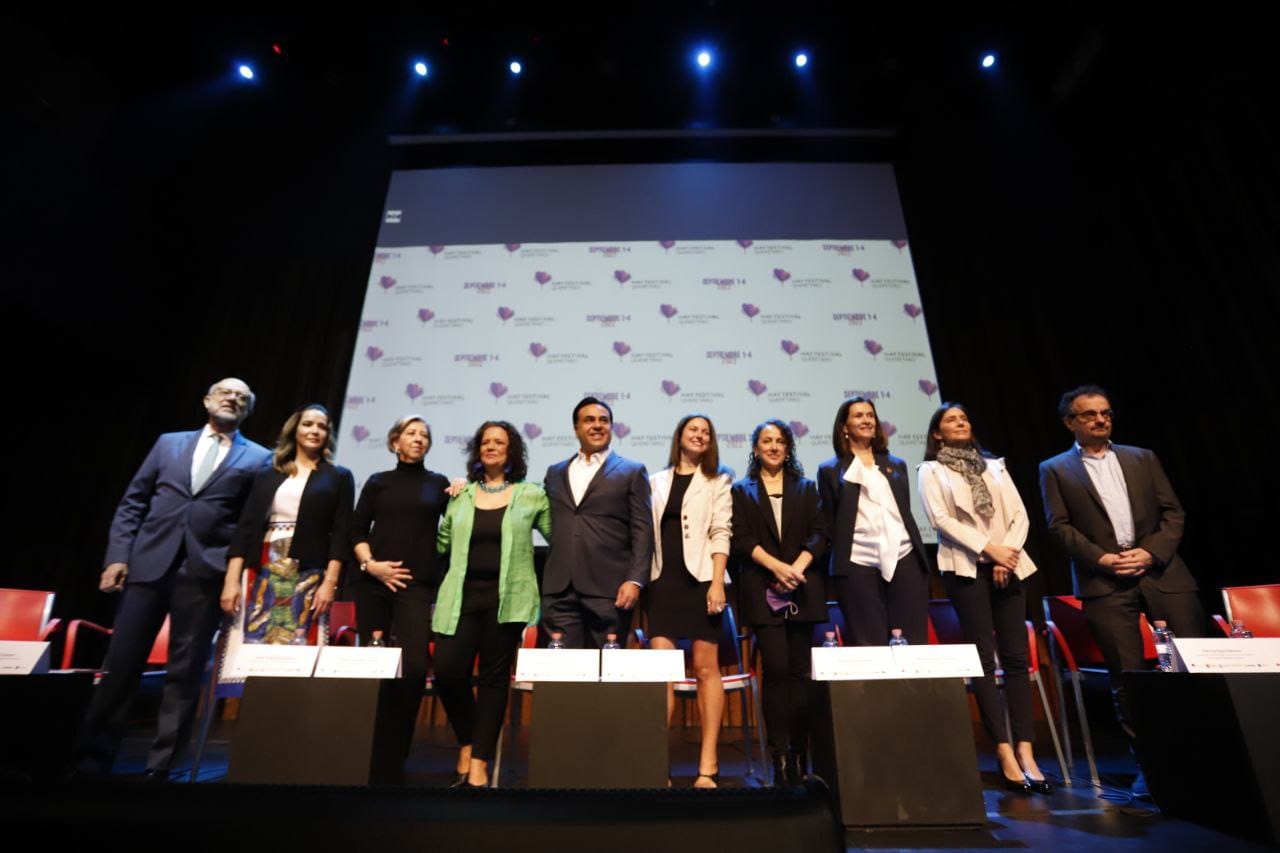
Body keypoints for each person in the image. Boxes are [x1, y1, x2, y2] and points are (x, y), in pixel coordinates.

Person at [78, 378, 271, 778]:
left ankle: (161, 768)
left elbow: (248, 526)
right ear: (206, 400)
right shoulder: (168, 443)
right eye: (225, 393)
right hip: (148, 566)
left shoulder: (258, 458)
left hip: (205, 572)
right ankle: (92, 763)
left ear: (248, 411)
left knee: (184, 676)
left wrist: (233, 577)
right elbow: (132, 501)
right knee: (121, 667)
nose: (232, 400)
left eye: (242, 398)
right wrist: (117, 556)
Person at [1039, 384, 1205, 798]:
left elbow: (1173, 512)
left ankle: (1206, 754)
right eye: (1091, 414)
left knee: (1194, 665)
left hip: (1162, 572)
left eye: (1106, 413)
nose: (1101, 419)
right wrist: (1103, 559)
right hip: (1105, 581)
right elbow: (1059, 526)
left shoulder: (1141, 458)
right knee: (1128, 678)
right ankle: (1151, 766)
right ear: (1070, 422)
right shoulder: (1055, 469)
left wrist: (1150, 553)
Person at [918, 403, 1050, 795]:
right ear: (938, 434)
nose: (961, 423)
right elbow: (941, 520)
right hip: (965, 567)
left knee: (1015, 658)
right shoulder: (931, 470)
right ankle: (1004, 751)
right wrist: (990, 550)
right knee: (983, 658)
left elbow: (1020, 516)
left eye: (964, 418)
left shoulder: (995, 466)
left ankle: (1027, 751)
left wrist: (1005, 555)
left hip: (1009, 564)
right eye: (950, 420)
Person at [434, 420, 551, 788]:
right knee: (448, 670)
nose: (491, 447)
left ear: (511, 451)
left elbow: (559, 536)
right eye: (485, 442)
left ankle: (480, 762)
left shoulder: (532, 494)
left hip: (508, 599)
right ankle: (469, 740)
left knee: (493, 679)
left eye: (499, 442)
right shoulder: (461, 495)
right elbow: (442, 544)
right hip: (461, 596)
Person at [351, 415, 451, 777]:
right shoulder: (378, 482)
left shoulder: (437, 484)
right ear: (395, 441)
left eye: (425, 435)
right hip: (374, 583)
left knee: (411, 671)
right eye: (411, 433)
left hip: (414, 586)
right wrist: (371, 565)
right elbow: (356, 529)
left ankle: (396, 753)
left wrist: (460, 491)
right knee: (375, 670)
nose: (419, 439)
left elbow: (456, 523)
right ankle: (368, 749)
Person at [730, 419, 826, 785]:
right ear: (755, 449)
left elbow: (821, 533)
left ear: (788, 449)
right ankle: (780, 754)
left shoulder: (807, 487)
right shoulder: (742, 490)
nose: (773, 447)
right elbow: (740, 537)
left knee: (801, 674)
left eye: (780, 441)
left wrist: (796, 567)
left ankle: (802, 755)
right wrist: (776, 567)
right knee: (777, 670)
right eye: (766, 441)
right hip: (762, 589)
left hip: (802, 587)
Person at [646, 413, 733, 789]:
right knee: (662, 674)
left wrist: (717, 583)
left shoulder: (718, 480)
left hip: (701, 582)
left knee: (705, 669)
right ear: (679, 435)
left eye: (706, 432)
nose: (699, 435)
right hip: (661, 584)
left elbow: (720, 531)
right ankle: (656, 764)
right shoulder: (654, 481)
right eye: (692, 429)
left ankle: (707, 764)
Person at [220, 405, 354, 644]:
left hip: (309, 570)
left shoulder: (338, 476)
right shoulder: (268, 473)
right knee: (253, 637)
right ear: (294, 430)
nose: (314, 431)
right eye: (308, 424)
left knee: (297, 640)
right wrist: (231, 581)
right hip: (262, 564)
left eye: (322, 427)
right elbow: (245, 529)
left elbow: (341, 534)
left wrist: (330, 583)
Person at [541, 397, 654, 649]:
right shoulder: (554, 472)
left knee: (606, 677)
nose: (597, 425)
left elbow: (643, 530)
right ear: (576, 428)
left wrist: (635, 580)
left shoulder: (632, 471)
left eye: (604, 420)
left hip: (609, 590)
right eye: (589, 420)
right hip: (560, 589)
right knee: (561, 676)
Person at [817, 396, 929, 646]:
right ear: (844, 427)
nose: (866, 420)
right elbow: (829, 522)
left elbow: (903, 513)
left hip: (904, 556)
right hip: (857, 561)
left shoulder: (896, 465)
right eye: (858, 416)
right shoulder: (830, 470)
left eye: (870, 415)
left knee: (910, 642)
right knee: (870, 644)